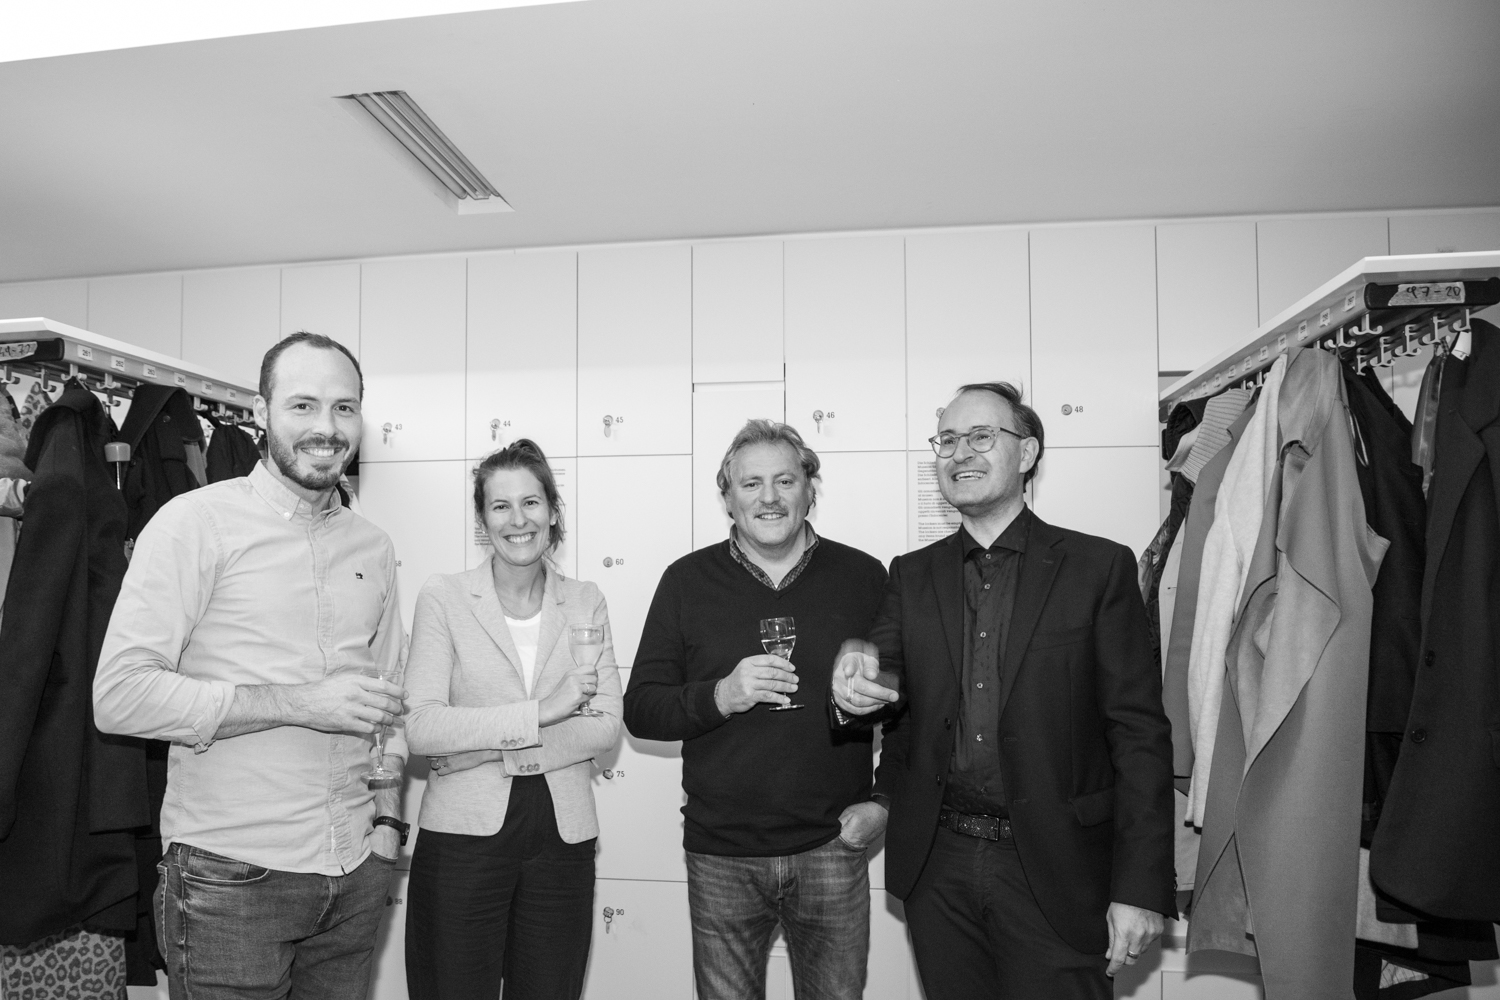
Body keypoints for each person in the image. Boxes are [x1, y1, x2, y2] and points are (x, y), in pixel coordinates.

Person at [831, 382, 1175, 1000]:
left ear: (1027, 452)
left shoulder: (1097, 568)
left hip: (1059, 868)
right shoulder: (912, 574)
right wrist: (853, 689)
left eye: (982, 436)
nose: (960, 452)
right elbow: (886, 688)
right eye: (947, 440)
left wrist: (1140, 886)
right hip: (940, 867)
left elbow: (1139, 733)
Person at [93, 332, 408, 1000]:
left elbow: (391, 701)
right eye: (303, 405)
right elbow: (120, 696)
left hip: (355, 871)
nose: (327, 428)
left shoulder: (373, 547)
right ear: (262, 412)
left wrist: (387, 825)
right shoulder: (193, 523)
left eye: (344, 408)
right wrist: (299, 702)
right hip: (231, 882)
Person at [624, 419, 889, 1000]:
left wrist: (885, 802)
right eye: (751, 484)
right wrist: (721, 695)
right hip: (723, 855)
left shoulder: (864, 577)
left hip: (832, 847)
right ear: (727, 497)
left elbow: (909, 706)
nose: (769, 497)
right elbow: (641, 709)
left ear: (809, 489)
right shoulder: (686, 582)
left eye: (785, 480)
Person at [402, 439, 622, 1000]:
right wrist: (542, 713)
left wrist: (488, 750)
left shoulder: (585, 600)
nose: (517, 520)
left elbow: (603, 725)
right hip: (462, 837)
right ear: (483, 521)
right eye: (500, 506)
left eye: (531, 502)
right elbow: (423, 727)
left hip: (561, 837)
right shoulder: (445, 597)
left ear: (553, 511)